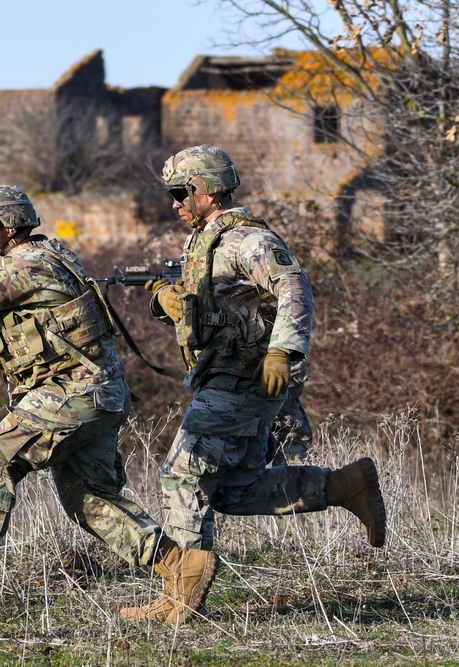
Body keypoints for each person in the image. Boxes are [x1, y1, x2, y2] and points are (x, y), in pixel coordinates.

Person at [0, 185, 213, 623]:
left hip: (76, 391)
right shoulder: (44, 258)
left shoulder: (30, 263)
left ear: (7, 228)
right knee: (87, 498)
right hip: (96, 394)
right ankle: (182, 569)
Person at [126, 145, 387, 626]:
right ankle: (344, 486)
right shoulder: (207, 243)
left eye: (181, 193)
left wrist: (282, 351)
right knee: (232, 490)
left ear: (207, 191)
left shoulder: (246, 241)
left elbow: (294, 286)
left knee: (183, 476)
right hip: (230, 375)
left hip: (243, 378)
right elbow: (214, 315)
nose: (175, 204)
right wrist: (168, 299)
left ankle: (180, 597)